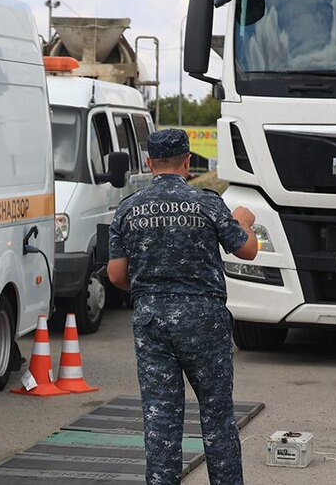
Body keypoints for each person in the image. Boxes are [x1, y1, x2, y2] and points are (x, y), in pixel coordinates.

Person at [107, 128, 259, 485]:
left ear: (149, 162)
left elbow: (115, 275)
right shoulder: (207, 203)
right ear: (188, 162)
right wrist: (244, 222)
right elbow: (248, 250)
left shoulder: (129, 208)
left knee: (160, 419)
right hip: (204, 321)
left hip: (152, 322)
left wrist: (149, 289)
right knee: (217, 416)